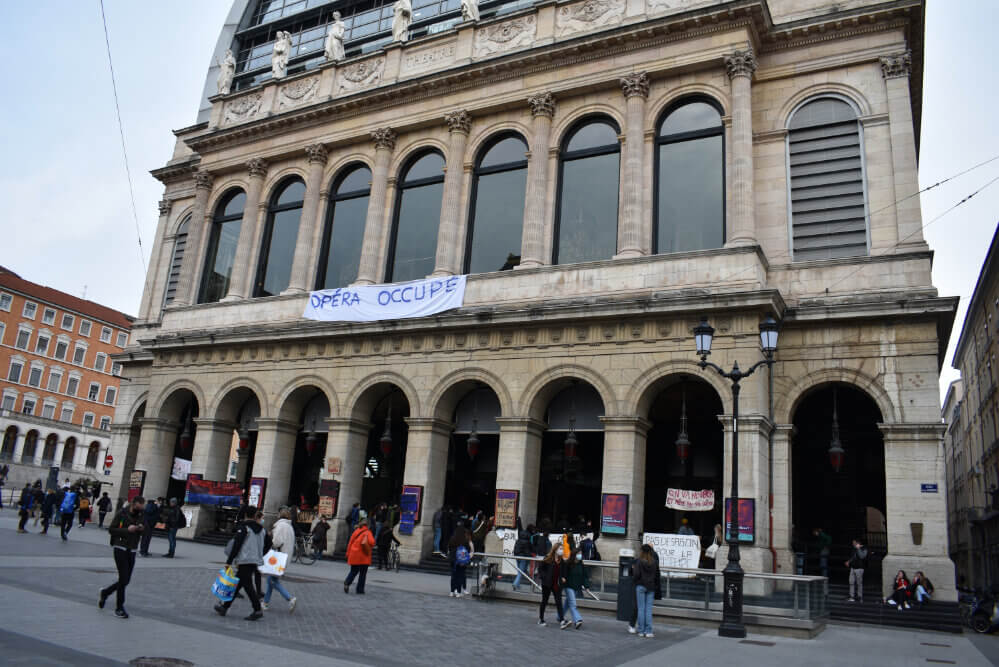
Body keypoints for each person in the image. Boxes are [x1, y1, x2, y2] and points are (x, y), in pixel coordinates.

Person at [99, 495, 146, 619]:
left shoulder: (141, 515)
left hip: (132, 549)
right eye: (138, 507)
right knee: (123, 578)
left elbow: (144, 529)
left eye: (141, 508)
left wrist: (141, 529)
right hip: (120, 548)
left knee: (126, 580)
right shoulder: (122, 513)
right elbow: (111, 529)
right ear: (133, 504)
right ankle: (119, 608)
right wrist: (127, 530)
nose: (140, 509)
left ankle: (106, 592)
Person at [215, 509, 266, 621]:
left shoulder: (244, 528)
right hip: (255, 560)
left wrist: (229, 561)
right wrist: (260, 554)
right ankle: (225, 607)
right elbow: (268, 544)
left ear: (246, 515)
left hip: (245, 560)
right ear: (254, 516)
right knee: (237, 585)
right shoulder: (262, 530)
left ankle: (257, 609)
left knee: (248, 586)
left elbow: (236, 546)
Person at [262, 508, 297, 613]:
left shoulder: (280, 526)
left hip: (278, 557)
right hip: (285, 557)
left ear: (279, 515)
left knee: (272, 580)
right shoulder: (290, 527)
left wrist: (270, 536)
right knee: (271, 580)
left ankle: (290, 598)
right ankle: (265, 603)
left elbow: (276, 542)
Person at [538, 544, 568, 628]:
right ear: (555, 549)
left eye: (562, 549)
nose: (562, 550)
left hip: (557, 584)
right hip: (547, 584)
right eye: (560, 549)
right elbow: (541, 569)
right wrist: (544, 577)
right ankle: (541, 619)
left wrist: (564, 578)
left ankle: (562, 620)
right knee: (544, 601)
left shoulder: (562, 561)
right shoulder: (548, 558)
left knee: (559, 602)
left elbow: (564, 572)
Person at [344, 511, 374, 594]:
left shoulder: (356, 531)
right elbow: (372, 542)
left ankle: (347, 582)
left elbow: (350, 542)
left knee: (353, 571)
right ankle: (360, 589)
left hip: (354, 555)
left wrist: (348, 553)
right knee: (363, 574)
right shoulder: (368, 532)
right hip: (364, 557)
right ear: (368, 525)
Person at [633, 544, 658, 638]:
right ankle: (648, 631)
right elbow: (656, 575)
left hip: (640, 586)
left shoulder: (639, 561)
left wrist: (636, 581)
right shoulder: (654, 562)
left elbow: (636, 574)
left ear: (642, 551)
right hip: (651, 587)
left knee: (641, 609)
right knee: (648, 610)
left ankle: (641, 630)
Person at [563, 546, 590, 629]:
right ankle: (577, 620)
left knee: (567, 603)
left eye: (581, 554)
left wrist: (586, 586)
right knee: (573, 604)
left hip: (576, 587)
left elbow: (585, 576)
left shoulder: (581, 564)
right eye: (578, 554)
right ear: (574, 555)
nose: (580, 555)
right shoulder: (568, 564)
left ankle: (560, 616)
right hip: (568, 586)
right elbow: (563, 574)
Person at [448, 520, 474, 598]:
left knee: (453, 576)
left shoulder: (453, 538)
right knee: (460, 576)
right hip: (461, 560)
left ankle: (452, 591)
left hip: (453, 559)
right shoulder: (465, 539)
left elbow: (449, 547)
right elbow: (468, 550)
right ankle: (458, 592)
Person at [512, 521, 534, 592]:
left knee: (520, 571)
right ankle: (515, 584)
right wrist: (531, 555)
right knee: (521, 572)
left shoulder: (520, 535)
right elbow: (528, 550)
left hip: (517, 555)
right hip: (523, 557)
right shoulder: (529, 538)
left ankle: (517, 585)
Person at [844, 538, 868, 602]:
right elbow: (853, 557)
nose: (853, 544)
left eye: (854, 543)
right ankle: (852, 596)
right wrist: (849, 561)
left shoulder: (864, 548)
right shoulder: (854, 549)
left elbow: (862, 556)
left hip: (859, 568)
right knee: (851, 582)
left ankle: (860, 596)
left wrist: (858, 548)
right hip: (853, 567)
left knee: (859, 583)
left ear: (858, 543)